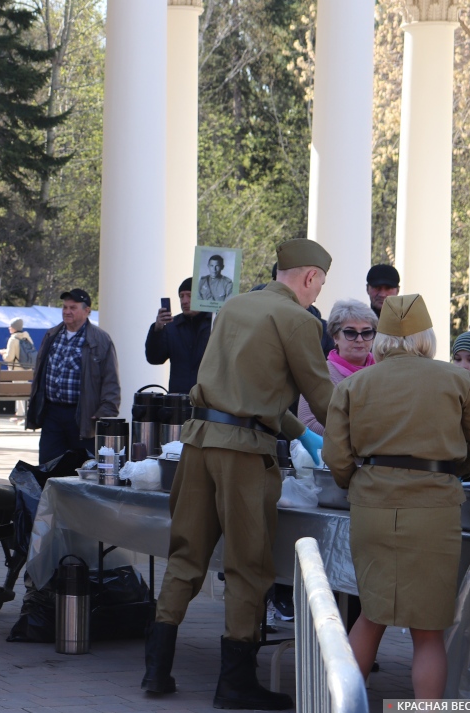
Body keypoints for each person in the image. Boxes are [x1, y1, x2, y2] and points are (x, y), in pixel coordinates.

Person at [142, 238, 336, 711]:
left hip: (197, 442)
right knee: (248, 567)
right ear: (310, 277)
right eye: (320, 285)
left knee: (186, 555)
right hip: (244, 455)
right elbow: (325, 399)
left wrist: (297, 433)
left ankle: (156, 670)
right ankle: (234, 684)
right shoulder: (299, 320)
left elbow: (244, 391)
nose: (318, 295)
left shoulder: (233, 307)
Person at [323, 294, 470, 700]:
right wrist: (454, 471)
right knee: (429, 632)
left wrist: (358, 482)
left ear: (380, 337)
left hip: (372, 507)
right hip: (434, 510)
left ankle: (341, 705)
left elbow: (336, 456)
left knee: (370, 615)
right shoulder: (458, 381)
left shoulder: (353, 385)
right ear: (426, 336)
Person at [25, 288, 120, 465]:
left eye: (73, 307)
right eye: (65, 307)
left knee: (83, 467)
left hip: (82, 415)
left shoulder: (100, 339)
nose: (67, 311)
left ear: (87, 311)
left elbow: (111, 378)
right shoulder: (52, 335)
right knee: (48, 466)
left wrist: (106, 410)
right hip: (52, 413)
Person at [297, 299, 378, 435]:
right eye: (350, 333)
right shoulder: (319, 374)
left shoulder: (383, 372)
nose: (359, 339)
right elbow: (308, 424)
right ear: (335, 337)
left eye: (366, 332)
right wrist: (357, 432)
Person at [145, 277, 211, 394]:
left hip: (208, 400)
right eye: (181, 296)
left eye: (189, 295)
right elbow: (154, 358)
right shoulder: (171, 326)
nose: (184, 301)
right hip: (178, 403)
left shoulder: (215, 324)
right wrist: (157, 330)